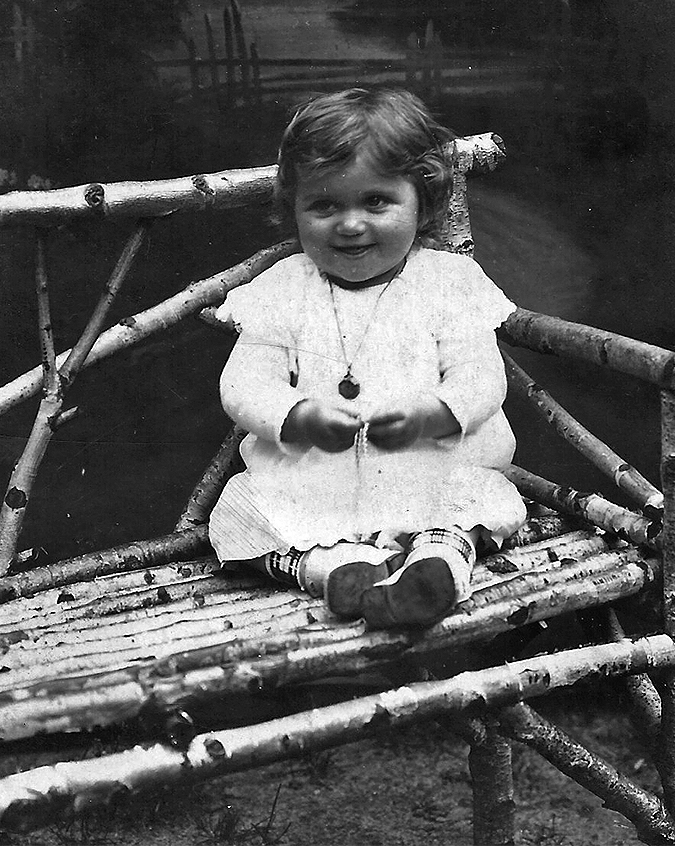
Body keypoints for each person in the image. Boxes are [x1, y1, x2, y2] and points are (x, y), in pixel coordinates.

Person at [209, 88, 526, 628]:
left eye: (376, 202)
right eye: (324, 205)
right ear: (295, 210)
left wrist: (437, 412)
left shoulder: (448, 283)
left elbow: (481, 374)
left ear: (422, 203)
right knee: (237, 507)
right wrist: (296, 417)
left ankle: (437, 561)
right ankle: (335, 569)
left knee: (485, 494)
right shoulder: (281, 291)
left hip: (432, 478)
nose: (350, 224)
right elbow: (245, 382)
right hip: (313, 492)